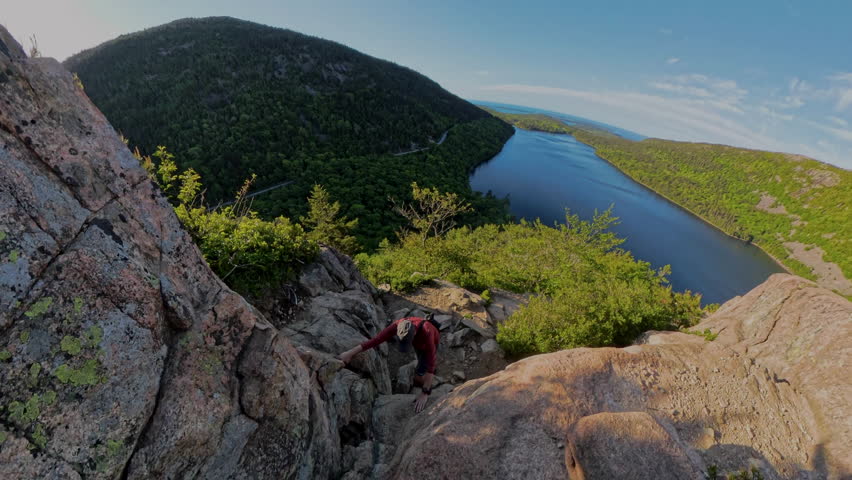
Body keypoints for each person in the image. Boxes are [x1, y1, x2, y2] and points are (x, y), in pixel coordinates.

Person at [338, 314, 440, 413]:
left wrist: (425, 393)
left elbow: (431, 363)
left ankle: (425, 379)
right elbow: (375, 340)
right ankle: (421, 376)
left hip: (429, 342)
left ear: (413, 334)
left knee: (422, 368)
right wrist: (349, 353)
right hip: (418, 342)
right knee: (420, 363)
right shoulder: (397, 325)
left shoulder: (427, 332)